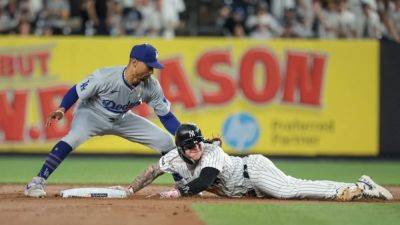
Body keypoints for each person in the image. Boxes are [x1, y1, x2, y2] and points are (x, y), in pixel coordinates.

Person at [25, 43, 180, 198]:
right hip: (91, 114)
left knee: (166, 141)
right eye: (149, 66)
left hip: (121, 118)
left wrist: (182, 134)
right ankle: (37, 181)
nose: (152, 71)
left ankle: (182, 184)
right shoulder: (105, 77)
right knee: (72, 139)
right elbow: (76, 90)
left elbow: (166, 116)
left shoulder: (151, 86)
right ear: (134, 62)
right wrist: (62, 108)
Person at [124, 123, 393, 201]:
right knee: (293, 189)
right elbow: (152, 171)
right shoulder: (173, 157)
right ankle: (358, 187)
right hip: (245, 189)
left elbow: (205, 180)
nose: (196, 147)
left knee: (290, 189)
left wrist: (177, 191)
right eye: (190, 145)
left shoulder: (210, 152)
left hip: (252, 171)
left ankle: (357, 186)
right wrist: (131, 190)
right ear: (180, 148)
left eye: (198, 142)